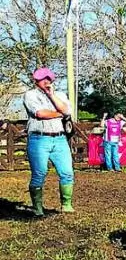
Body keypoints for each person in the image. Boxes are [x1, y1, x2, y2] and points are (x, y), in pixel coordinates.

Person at [22, 67, 75, 216]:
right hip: (39, 138)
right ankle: (37, 208)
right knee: (39, 173)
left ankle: (66, 204)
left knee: (67, 172)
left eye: (48, 79)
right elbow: (40, 113)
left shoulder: (59, 95)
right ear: (36, 81)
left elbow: (67, 110)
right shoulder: (30, 95)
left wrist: (51, 95)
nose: (46, 81)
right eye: (42, 79)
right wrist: (60, 114)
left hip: (59, 138)